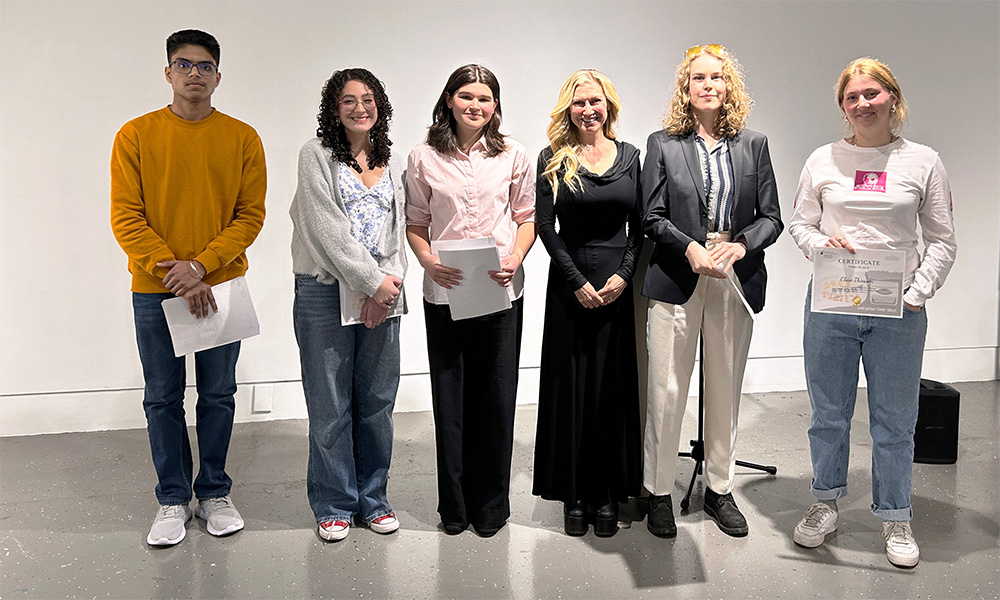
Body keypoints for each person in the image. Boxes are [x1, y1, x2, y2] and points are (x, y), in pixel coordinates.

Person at [788, 57, 957, 568]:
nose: (862, 104)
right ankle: (825, 501)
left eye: (871, 93)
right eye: (852, 97)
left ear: (893, 98)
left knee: (895, 419)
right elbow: (800, 225)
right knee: (828, 414)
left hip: (897, 309)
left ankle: (896, 514)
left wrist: (917, 292)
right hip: (831, 304)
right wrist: (822, 242)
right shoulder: (822, 160)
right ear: (843, 106)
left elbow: (943, 240)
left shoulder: (922, 161)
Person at [110, 29, 266, 546]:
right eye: (184, 64)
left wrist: (199, 267)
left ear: (218, 76)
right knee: (162, 397)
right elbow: (126, 217)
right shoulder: (135, 135)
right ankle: (173, 500)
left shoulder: (242, 138)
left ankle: (215, 492)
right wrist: (172, 271)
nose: (194, 73)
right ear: (168, 72)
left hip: (219, 286)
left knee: (219, 395)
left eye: (204, 66)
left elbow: (250, 217)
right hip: (155, 289)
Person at [641, 44, 782, 539]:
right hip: (678, 275)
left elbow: (772, 217)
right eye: (698, 77)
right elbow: (651, 216)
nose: (708, 85)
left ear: (729, 87)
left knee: (725, 384)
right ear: (686, 87)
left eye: (717, 77)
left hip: (733, 275)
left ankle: (719, 490)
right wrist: (689, 249)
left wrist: (741, 247)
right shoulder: (663, 143)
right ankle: (658, 491)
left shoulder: (754, 145)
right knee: (666, 389)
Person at [405, 64, 535, 538]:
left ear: (495, 106)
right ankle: (454, 509)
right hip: (446, 291)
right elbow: (416, 222)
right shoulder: (422, 157)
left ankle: (491, 508)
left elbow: (526, 216)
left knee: (496, 400)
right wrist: (428, 262)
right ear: (448, 101)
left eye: (485, 98)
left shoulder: (514, 154)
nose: (475, 106)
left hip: (500, 290)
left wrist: (516, 257)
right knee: (451, 398)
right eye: (466, 96)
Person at [289, 68, 408, 542]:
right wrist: (372, 283)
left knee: (378, 401)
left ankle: (374, 498)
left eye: (368, 98)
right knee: (331, 402)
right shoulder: (315, 155)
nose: (361, 108)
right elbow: (325, 231)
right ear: (333, 109)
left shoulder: (390, 157)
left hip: (384, 292)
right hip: (324, 291)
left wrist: (388, 287)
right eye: (348, 101)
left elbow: (399, 230)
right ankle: (335, 502)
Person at [531, 70, 642, 537]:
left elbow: (643, 225)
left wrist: (623, 275)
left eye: (595, 101)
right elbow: (544, 226)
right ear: (568, 109)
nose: (588, 110)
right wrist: (574, 279)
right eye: (579, 103)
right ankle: (574, 493)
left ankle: (608, 493)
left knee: (611, 392)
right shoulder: (552, 158)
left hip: (618, 290)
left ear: (609, 106)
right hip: (569, 289)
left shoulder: (634, 158)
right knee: (570, 390)